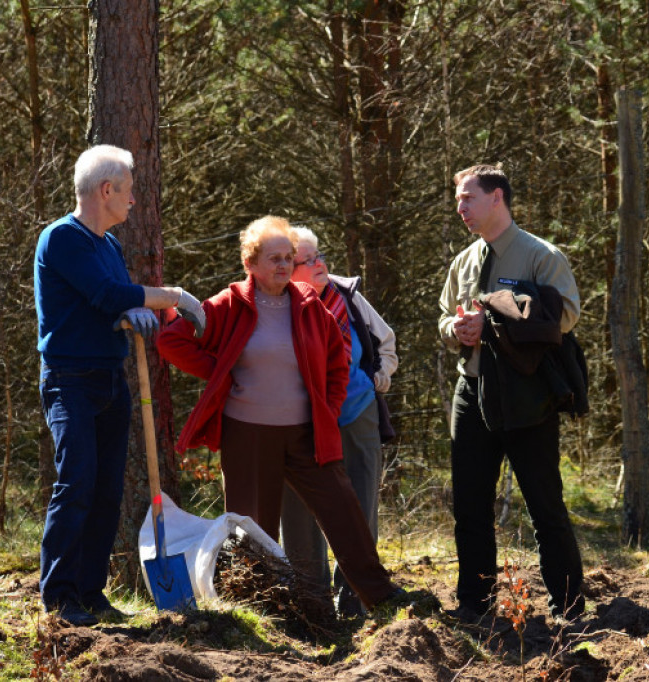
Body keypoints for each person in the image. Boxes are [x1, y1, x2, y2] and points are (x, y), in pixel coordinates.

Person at [156, 215, 405, 611]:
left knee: (343, 510)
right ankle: (263, 608)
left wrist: (329, 408)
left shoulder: (309, 304)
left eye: (289, 257)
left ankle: (382, 596)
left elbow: (337, 362)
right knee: (253, 529)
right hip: (247, 436)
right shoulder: (229, 304)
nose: (284, 265)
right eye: (274, 258)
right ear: (250, 263)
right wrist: (221, 370)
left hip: (307, 434)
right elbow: (172, 340)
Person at [35, 144, 207, 627]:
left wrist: (130, 311)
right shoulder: (62, 238)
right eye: (129, 191)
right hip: (70, 380)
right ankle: (59, 598)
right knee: (77, 482)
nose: (133, 201)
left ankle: (91, 594)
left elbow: (111, 301)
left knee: (107, 490)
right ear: (106, 190)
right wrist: (173, 297)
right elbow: (106, 293)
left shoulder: (108, 247)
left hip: (111, 379)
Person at [438, 164, 585, 625]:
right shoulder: (463, 261)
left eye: (468, 198)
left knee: (545, 505)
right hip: (472, 390)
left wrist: (496, 320)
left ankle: (567, 608)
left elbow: (566, 317)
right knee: (469, 506)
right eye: (458, 200)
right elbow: (444, 317)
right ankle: (474, 605)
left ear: (497, 197)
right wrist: (456, 329)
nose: (460, 208)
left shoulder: (541, 256)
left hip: (527, 394)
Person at [279, 226, 398, 617]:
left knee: (359, 509)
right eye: (308, 260)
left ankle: (356, 603)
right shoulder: (276, 304)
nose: (319, 265)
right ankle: (312, 604)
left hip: (356, 412)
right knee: (300, 512)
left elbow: (385, 341)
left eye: (319, 256)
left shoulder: (346, 294)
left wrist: (376, 379)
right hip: (301, 421)